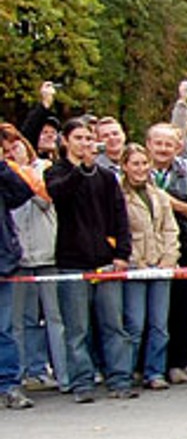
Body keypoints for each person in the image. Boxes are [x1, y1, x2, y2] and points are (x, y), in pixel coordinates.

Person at [44, 118, 136, 401]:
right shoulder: (56, 172)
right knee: (77, 328)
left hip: (105, 259)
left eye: (88, 138)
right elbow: (59, 193)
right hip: (72, 260)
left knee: (113, 325)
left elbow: (120, 216)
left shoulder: (107, 177)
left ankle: (120, 379)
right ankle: (82, 382)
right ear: (66, 141)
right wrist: (81, 169)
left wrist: (122, 252)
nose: (85, 144)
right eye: (79, 138)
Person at [147, 122, 187, 386]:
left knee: (180, 309)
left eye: (168, 144)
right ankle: (148, 366)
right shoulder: (135, 170)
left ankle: (177, 362)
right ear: (148, 144)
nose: (163, 149)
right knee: (149, 312)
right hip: (147, 250)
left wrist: (172, 204)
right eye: (158, 143)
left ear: (178, 147)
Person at [4, 123, 64, 394]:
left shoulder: (40, 171)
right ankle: (25, 371)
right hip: (19, 257)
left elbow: (32, 198)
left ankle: (56, 374)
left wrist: (14, 170)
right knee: (18, 321)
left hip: (38, 253)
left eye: (15, 143)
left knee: (49, 317)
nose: (11, 149)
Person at [118, 144, 180, 389]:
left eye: (144, 163)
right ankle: (127, 371)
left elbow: (169, 229)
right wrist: (135, 260)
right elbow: (120, 231)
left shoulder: (159, 196)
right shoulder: (119, 196)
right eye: (135, 163)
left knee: (159, 325)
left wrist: (169, 257)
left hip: (160, 265)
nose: (141, 168)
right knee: (134, 324)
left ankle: (155, 372)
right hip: (135, 266)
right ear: (125, 166)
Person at [0, 145, 39, 408]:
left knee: (3, 329)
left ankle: (9, 385)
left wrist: (2, 166)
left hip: (1, 261)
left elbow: (22, 192)